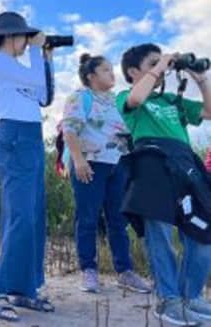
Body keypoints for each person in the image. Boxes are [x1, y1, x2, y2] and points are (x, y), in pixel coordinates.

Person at [117, 43, 211, 326]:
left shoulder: (173, 100)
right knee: (158, 233)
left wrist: (200, 78)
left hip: (183, 164)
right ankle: (168, 299)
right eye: (153, 63)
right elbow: (134, 99)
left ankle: (189, 296)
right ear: (134, 72)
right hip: (151, 162)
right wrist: (162, 65)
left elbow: (209, 112)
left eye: (164, 64)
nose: (164, 68)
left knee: (202, 231)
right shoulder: (129, 96)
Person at [0, 11, 55, 322]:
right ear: (11, 36)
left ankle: (25, 288)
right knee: (21, 213)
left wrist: (48, 57)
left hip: (33, 136)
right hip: (14, 136)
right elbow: (35, 80)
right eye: (25, 36)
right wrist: (38, 51)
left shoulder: (21, 68)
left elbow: (45, 95)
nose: (28, 42)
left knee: (35, 214)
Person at [61, 53, 150, 294]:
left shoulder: (115, 100)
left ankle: (125, 271)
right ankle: (88, 270)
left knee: (118, 220)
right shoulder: (80, 97)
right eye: (106, 70)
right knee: (88, 218)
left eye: (112, 70)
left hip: (117, 164)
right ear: (91, 76)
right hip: (90, 163)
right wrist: (78, 160)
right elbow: (70, 129)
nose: (112, 74)